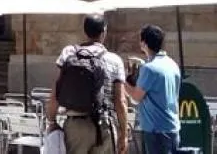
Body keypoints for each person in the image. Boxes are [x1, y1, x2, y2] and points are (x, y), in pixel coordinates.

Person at [47, 14, 129, 154]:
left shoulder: (68, 54)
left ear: (85, 31)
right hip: (104, 125)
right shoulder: (115, 61)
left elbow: (55, 94)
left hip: (75, 125)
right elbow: (120, 102)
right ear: (104, 32)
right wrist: (124, 134)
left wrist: (52, 121)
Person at [124, 25, 181, 154]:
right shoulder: (172, 64)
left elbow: (135, 97)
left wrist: (122, 80)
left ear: (144, 43)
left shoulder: (149, 69)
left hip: (156, 131)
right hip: (172, 127)